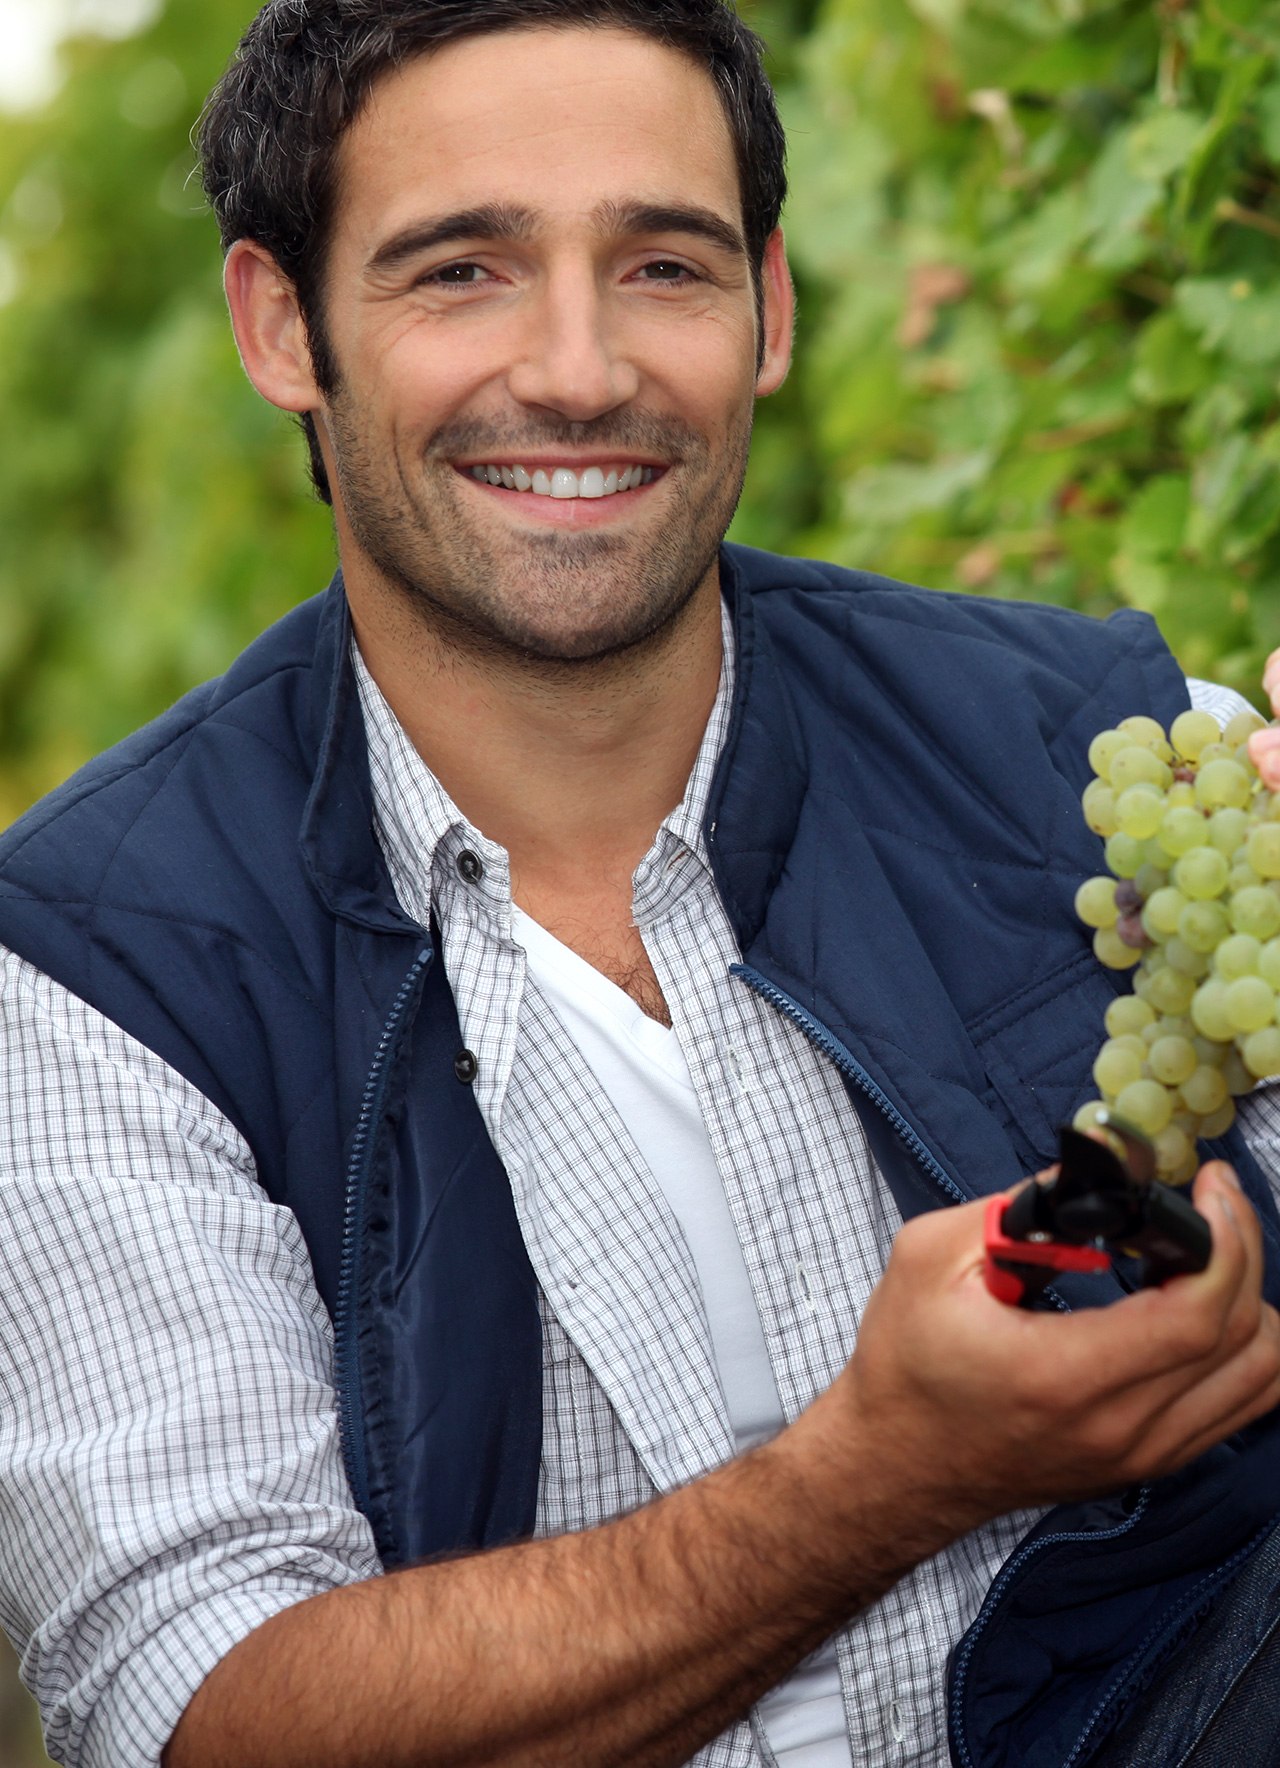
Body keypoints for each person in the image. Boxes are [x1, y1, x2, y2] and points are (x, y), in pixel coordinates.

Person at [0, 4, 1279, 1765]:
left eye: (664, 266)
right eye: (463, 271)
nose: (580, 369)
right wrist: (879, 1479)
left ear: (772, 308)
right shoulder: (97, 966)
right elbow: (208, 1706)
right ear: (283, 326)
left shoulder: (1120, 757)